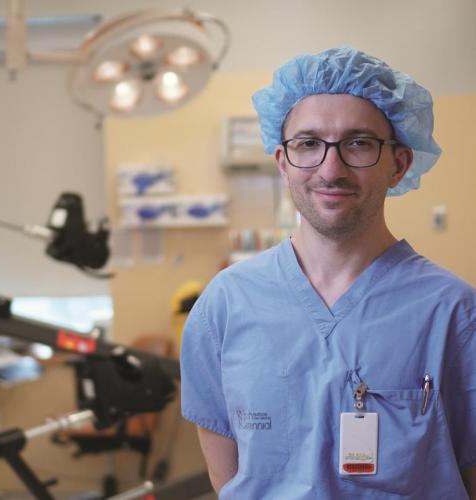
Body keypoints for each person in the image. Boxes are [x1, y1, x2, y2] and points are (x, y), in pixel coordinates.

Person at [180, 47, 476, 499]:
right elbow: (230, 478)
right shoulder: (226, 304)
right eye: (308, 144)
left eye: (358, 143)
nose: (330, 168)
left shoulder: (454, 312)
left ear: (398, 164)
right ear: (283, 161)